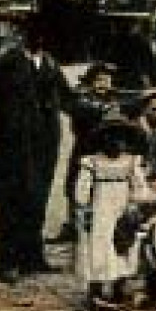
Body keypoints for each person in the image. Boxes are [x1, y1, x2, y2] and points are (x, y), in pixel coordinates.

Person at [0, 14, 72, 284]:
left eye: (45, 33)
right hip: (14, 143)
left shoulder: (50, 64)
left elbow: (68, 99)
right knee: (12, 201)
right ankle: (6, 262)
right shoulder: (4, 61)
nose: (40, 38)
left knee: (38, 198)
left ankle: (32, 256)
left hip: (45, 142)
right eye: (34, 32)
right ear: (24, 32)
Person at [73, 112, 153, 311]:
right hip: (101, 207)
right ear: (102, 140)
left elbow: (140, 185)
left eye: (120, 138)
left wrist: (135, 204)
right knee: (99, 246)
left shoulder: (130, 161)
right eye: (110, 137)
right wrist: (84, 204)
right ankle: (96, 290)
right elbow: (82, 188)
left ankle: (120, 287)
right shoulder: (92, 162)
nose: (115, 142)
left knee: (123, 244)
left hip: (123, 206)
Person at [50, 62, 121, 244]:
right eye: (98, 80)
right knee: (75, 184)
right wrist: (104, 110)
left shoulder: (114, 99)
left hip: (106, 148)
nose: (103, 84)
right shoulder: (82, 98)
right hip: (84, 147)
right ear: (91, 82)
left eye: (106, 80)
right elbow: (79, 110)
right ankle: (73, 224)